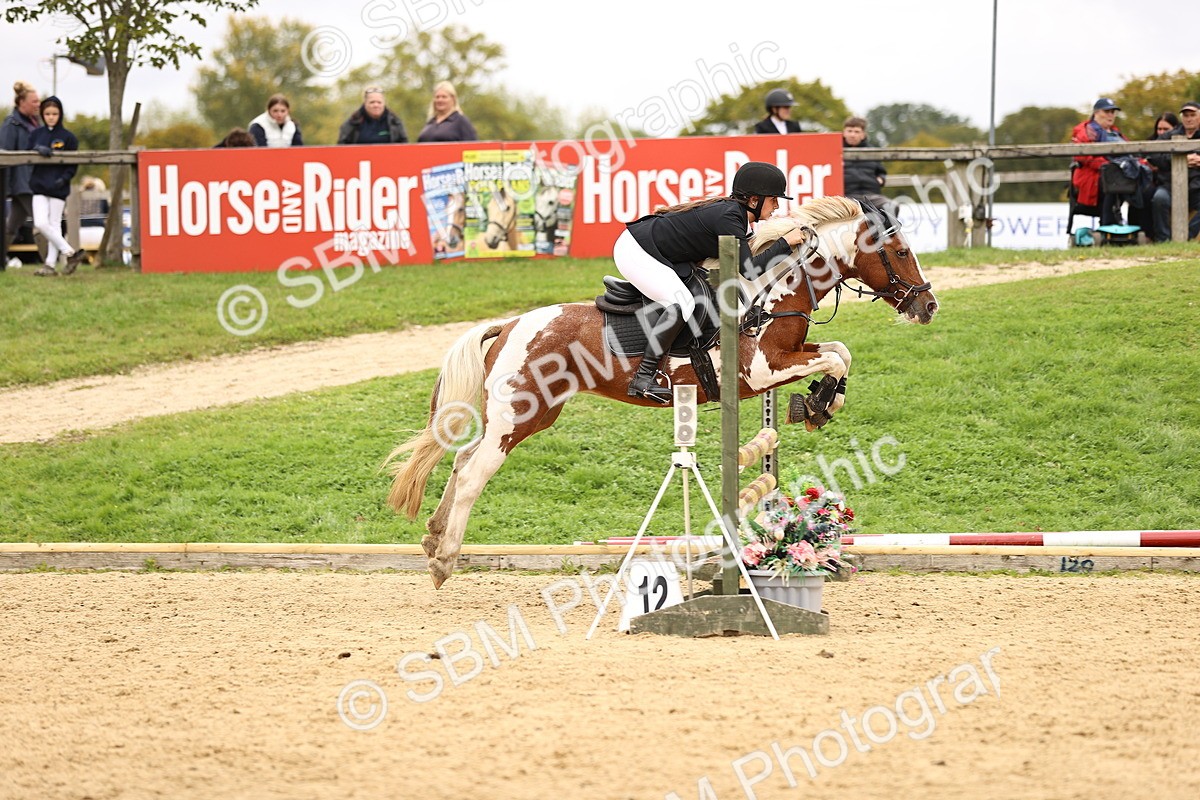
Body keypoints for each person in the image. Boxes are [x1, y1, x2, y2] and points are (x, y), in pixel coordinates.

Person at [613, 161, 809, 403]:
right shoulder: (728, 217)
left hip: (657, 251)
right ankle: (644, 377)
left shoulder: (735, 216)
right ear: (754, 200)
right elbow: (749, 269)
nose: (777, 206)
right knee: (683, 303)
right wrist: (785, 242)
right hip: (637, 251)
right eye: (773, 199)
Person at [29, 95, 83, 277]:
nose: (51, 116)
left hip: (58, 187)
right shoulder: (35, 135)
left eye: (55, 113)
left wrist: (64, 178)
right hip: (39, 186)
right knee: (41, 223)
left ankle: (50, 265)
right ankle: (70, 252)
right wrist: (37, 149)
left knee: (54, 224)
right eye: (47, 113)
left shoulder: (69, 138)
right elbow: (27, 153)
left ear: (60, 114)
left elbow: (72, 164)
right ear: (42, 115)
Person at [1071, 98, 1131, 227]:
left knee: (1143, 184)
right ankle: (1107, 224)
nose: (1111, 115)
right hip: (1092, 177)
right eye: (1107, 111)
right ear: (1096, 113)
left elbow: (1131, 152)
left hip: (1121, 175)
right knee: (1111, 180)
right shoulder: (1086, 131)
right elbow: (1083, 156)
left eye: (1113, 112)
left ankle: (1138, 228)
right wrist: (1109, 166)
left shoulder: (1116, 133)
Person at [2, 81, 41, 271]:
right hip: (21, 182)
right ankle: (54, 261)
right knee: (42, 220)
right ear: (21, 102)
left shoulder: (36, 122)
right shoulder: (11, 124)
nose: (38, 105)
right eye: (34, 102)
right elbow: (4, 154)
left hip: (31, 181)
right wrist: (6, 186)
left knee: (12, 225)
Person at [1148, 101, 1200, 242]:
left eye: (1192, 115)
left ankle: (1187, 237)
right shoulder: (1169, 135)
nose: (1189, 118)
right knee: (1159, 199)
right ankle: (1163, 240)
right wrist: (1178, 160)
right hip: (1170, 185)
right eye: (1186, 115)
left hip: (1197, 187)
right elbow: (1153, 155)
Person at [841, 116, 893, 215]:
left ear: (863, 134)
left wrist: (881, 179)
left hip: (871, 195)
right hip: (846, 196)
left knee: (892, 206)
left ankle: (881, 230)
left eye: (856, 132)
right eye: (849, 131)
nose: (852, 135)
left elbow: (881, 171)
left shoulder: (871, 151)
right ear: (844, 132)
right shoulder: (835, 150)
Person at [337, 86, 408, 145]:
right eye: (372, 102)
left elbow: (404, 146)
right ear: (365, 103)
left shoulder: (395, 122)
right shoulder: (352, 122)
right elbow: (342, 147)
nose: (376, 105)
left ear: (384, 103)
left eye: (379, 102)